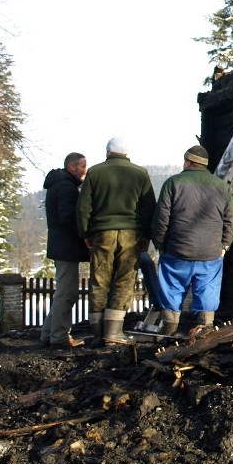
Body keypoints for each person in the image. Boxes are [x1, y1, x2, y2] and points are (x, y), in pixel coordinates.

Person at [77, 137, 156, 345]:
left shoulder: (94, 172)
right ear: (126, 153)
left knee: (99, 280)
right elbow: (149, 208)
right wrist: (146, 236)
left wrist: (86, 233)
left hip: (102, 233)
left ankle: (97, 334)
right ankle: (113, 333)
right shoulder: (140, 173)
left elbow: (84, 207)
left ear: (108, 152)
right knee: (125, 279)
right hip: (131, 234)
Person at [151, 145, 233, 335]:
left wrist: (161, 244)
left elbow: (161, 220)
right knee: (207, 291)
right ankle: (205, 331)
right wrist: (224, 246)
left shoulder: (173, 183)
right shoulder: (221, 186)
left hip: (177, 252)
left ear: (188, 162)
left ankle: (169, 330)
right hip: (211, 253)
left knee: (172, 289)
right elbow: (231, 221)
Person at [40, 152, 90, 349]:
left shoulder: (59, 185)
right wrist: (85, 234)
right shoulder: (66, 188)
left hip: (61, 246)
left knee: (63, 292)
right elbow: (68, 217)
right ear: (72, 167)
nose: (85, 171)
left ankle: (47, 333)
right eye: (83, 167)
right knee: (67, 293)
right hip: (66, 246)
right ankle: (59, 336)